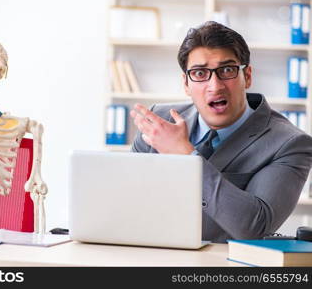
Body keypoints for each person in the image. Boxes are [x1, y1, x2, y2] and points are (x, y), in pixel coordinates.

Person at [130, 21, 312, 243]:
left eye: (227, 70)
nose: (215, 86)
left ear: (247, 76)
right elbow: (130, 203)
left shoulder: (290, 144)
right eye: (199, 73)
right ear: (186, 84)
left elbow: (254, 227)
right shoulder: (158, 122)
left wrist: (187, 157)